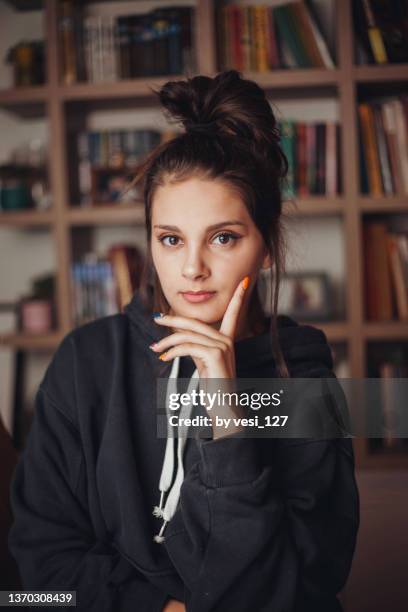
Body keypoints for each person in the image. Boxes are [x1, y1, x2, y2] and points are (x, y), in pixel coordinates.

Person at [8, 70, 359, 612]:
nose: (192, 268)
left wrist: (227, 414)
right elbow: (38, 572)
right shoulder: (86, 360)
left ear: (266, 247)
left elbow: (296, 589)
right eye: (171, 239)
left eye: (223, 238)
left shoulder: (305, 381)